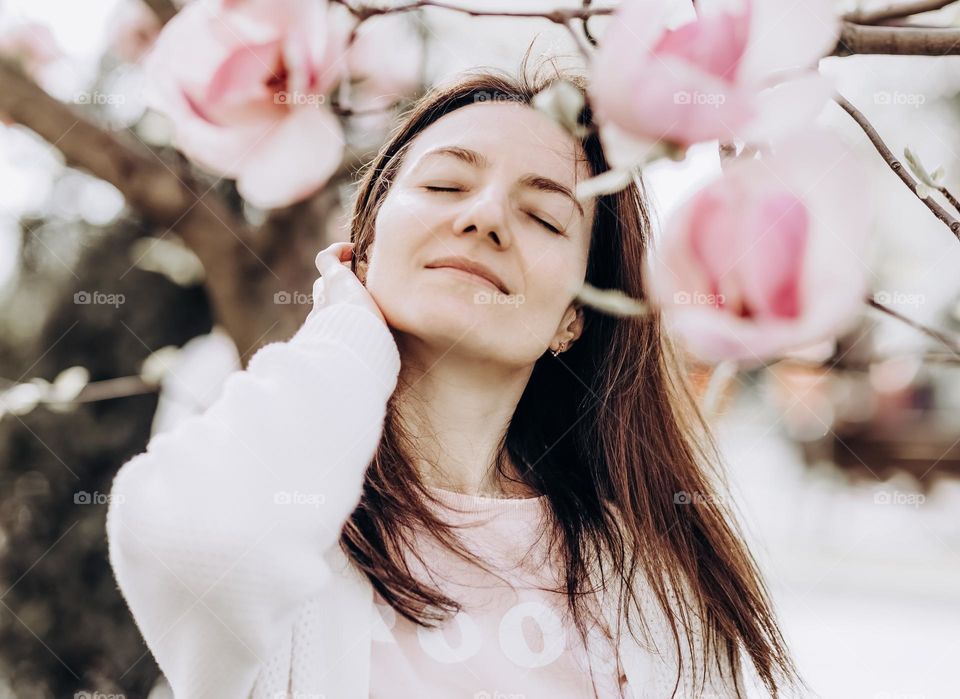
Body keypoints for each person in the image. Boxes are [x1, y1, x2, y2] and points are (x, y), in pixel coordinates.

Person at [106, 64, 805, 699]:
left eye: (542, 215)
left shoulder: (651, 580)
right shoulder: (299, 527)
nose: (484, 217)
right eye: (444, 185)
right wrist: (347, 335)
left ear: (574, 317)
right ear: (366, 242)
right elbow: (190, 539)